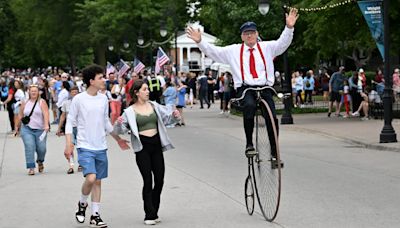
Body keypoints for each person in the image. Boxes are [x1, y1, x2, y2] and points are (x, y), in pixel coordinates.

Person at [187, 8, 299, 156]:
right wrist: (200, 42)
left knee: (271, 116)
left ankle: (274, 149)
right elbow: (214, 51)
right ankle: (249, 144)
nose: (250, 36)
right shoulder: (233, 50)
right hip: (246, 88)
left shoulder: (267, 47)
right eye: (246, 33)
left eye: (252, 32)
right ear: (242, 37)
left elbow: (283, 43)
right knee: (249, 107)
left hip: (265, 87)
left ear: (257, 34)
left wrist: (289, 27)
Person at [112, 79, 180, 225]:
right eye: (144, 89)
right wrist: (118, 123)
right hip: (142, 147)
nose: (148, 91)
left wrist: (175, 116)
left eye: (147, 89)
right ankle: (149, 214)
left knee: (160, 180)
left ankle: (154, 210)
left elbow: (167, 119)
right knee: (148, 180)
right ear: (136, 93)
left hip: (156, 145)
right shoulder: (129, 112)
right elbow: (119, 129)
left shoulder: (154, 106)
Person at [64, 64, 112, 227]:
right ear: (91, 81)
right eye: (100, 77)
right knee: (90, 178)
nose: (103, 80)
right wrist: (69, 143)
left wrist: (117, 136)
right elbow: (70, 121)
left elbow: (105, 121)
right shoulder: (79, 99)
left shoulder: (104, 98)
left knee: (97, 181)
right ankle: (82, 203)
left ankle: (95, 215)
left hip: (101, 145)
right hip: (85, 145)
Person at [17, 84, 49, 175]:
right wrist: (18, 126)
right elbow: (20, 114)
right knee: (29, 146)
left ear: (38, 92)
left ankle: (40, 161)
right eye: (32, 91)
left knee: (42, 149)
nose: (34, 92)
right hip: (27, 129)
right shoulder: (25, 102)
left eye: (35, 91)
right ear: (29, 92)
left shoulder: (42, 102)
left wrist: (46, 125)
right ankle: (31, 167)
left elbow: (46, 114)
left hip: (40, 129)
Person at [56, 86, 82, 174]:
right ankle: (71, 165)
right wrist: (59, 128)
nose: (74, 94)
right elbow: (63, 116)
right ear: (70, 93)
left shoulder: (82, 103)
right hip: (69, 128)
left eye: (76, 92)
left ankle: (81, 164)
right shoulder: (66, 103)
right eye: (73, 92)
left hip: (80, 128)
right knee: (69, 147)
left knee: (80, 147)